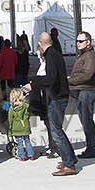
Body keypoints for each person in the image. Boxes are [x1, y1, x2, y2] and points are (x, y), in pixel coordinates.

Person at [30, 30, 78, 176]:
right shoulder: (55, 53)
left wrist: (34, 83)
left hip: (57, 97)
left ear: (40, 43)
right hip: (58, 96)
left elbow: (50, 79)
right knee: (57, 129)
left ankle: (69, 164)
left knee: (56, 131)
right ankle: (69, 158)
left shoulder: (50, 55)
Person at [69, 31, 95, 159]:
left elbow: (87, 75)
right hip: (82, 91)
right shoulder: (84, 55)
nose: (78, 43)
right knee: (85, 120)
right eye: (77, 41)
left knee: (87, 121)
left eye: (81, 41)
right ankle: (91, 147)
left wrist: (70, 80)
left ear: (88, 42)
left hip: (86, 91)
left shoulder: (90, 56)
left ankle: (92, 149)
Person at [7, 87, 35, 160]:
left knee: (19, 142)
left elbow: (10, 120)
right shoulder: (26, 106)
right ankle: (31, 155)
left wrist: (9, 131)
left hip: (16, 128)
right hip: (25, 126)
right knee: (27, 141)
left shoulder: (11, 109)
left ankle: (22, 156)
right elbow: (27, 115)